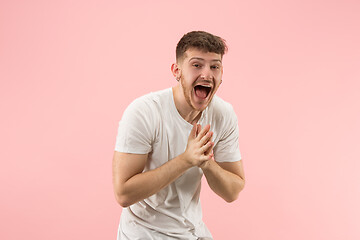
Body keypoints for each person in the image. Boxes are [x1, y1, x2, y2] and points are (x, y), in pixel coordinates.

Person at [112, 31, 245, 240]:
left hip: (192, 231)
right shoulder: (144, 112)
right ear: (177, 71)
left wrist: (206, 163)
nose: (207, 74)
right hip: (144, 233)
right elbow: (123, 193)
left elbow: (233, 191)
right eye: (196, 65)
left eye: (214, 66)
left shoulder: (223, 114)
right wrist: (186, 160)